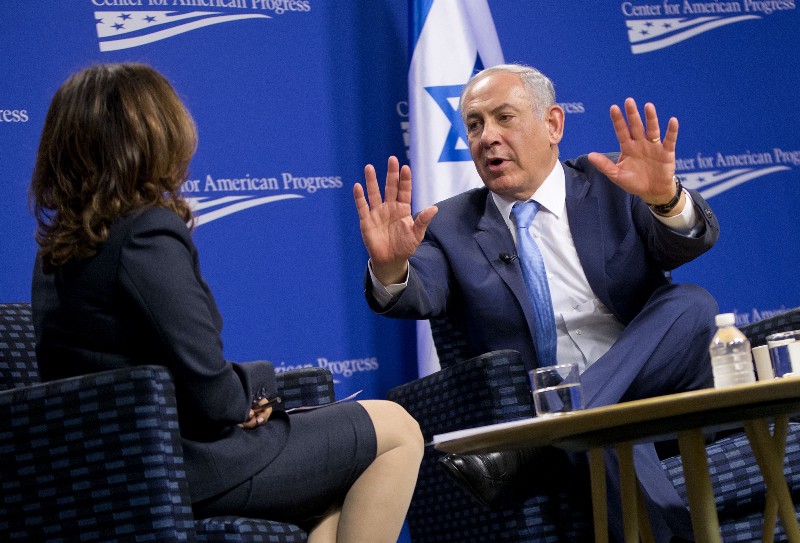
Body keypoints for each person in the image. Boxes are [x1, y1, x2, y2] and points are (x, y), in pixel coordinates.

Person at [29, 62, 423, 543]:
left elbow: (149, 371)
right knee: (398, 429)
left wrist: (238, 396)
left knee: (340, 483)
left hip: (106, 479)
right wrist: (257, 389)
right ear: (156, 135)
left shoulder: (56, 253)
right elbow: (214, 396)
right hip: (186, 469)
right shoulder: (146, 234)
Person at [353, 64, 720, 542]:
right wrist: (389, 268)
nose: (487, 137)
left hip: (663, 388)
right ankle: (570, 419)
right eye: (474, 125)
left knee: (690, 303)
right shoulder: (450, 226)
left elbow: (685, 244)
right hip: (566, 420)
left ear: (553, 124)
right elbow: (418, 291)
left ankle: (556, 423)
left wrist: (666, 199)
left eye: (504, 117)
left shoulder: (614, 182)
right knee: (596, 433)